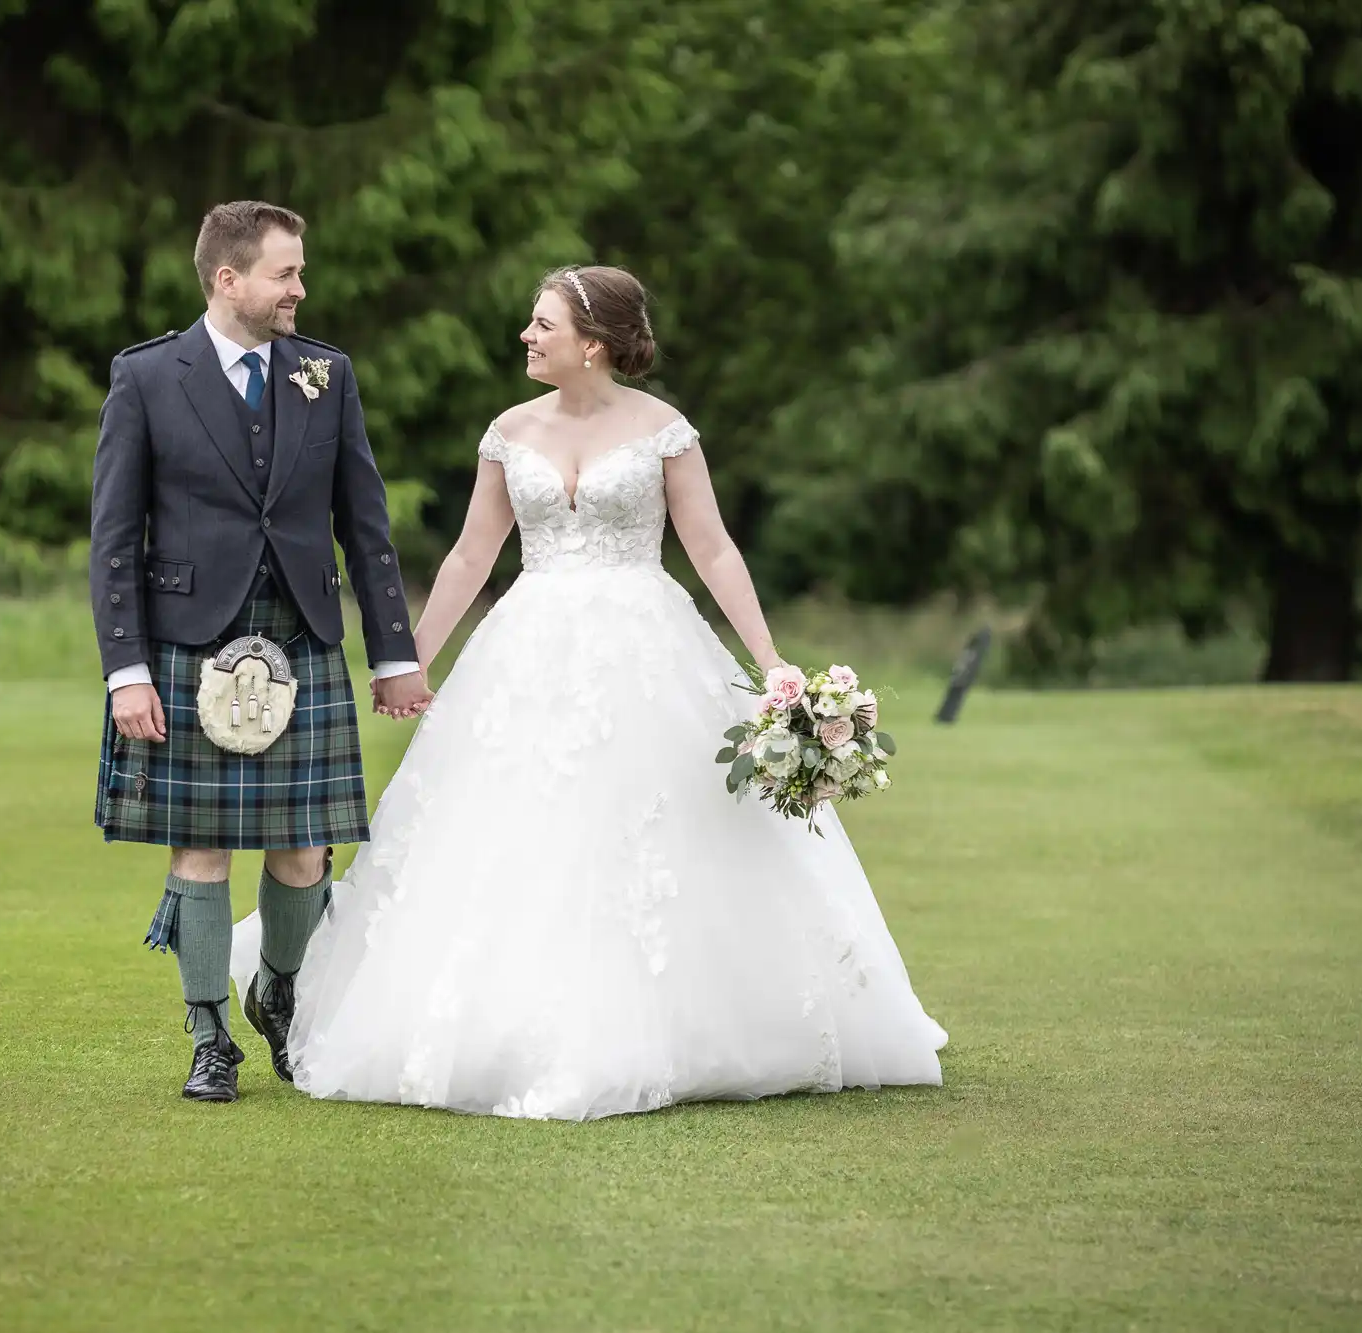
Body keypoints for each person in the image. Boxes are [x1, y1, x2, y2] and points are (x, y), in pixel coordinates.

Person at [232, 265, 947, 1120]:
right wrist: (409, 657)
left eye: (542, 325)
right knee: (514, 829)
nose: (527, 338)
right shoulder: (508, 431)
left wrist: (770, 661)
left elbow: (714, 550)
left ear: (593, 345)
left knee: (647, 823)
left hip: (645, 645)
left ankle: (671, 1023)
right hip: (527, 645)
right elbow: (470, 556)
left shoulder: (665, 432)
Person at [90, 201, 432, 1104]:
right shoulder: (148, 376)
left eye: (300, 271)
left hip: (301, 635)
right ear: (227, 278)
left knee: (303, 850)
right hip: (186, 645)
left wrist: (394, 648)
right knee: (199, 846)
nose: (300, 289)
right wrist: (126, 668)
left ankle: (277, 988)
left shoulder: (327, 373)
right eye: (286, 272)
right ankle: (209, 1035)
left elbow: (365, 523)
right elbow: (115, 536)